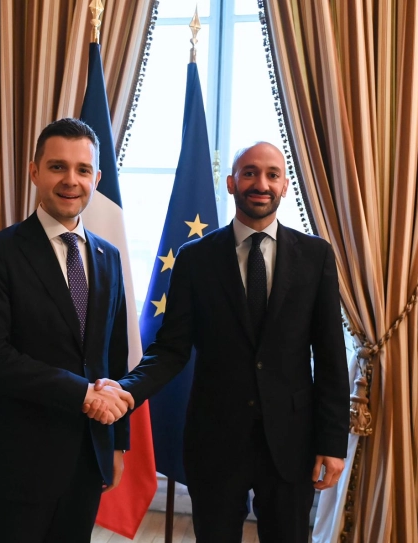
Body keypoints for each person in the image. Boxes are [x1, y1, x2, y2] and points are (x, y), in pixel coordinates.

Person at [87, 142, 350, 542]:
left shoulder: (316, 256)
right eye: (250, 173)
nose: (261, 184)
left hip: (291, 440)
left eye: (272, 175)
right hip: (215, 439)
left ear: (285, 186)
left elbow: (330, 356)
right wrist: (126, 390)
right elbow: (171, 349)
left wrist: (333, 442)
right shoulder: (195, 258)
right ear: (231, 182)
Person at [0, 118, 135, 543]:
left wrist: (115, 443)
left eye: (82, 169)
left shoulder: (109, 256)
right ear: (35, 171)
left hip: (87, 460)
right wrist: (81, 394)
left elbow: (113, 358)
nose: (70, 180)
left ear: (96, 179)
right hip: (15, 462)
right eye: (58, 167)